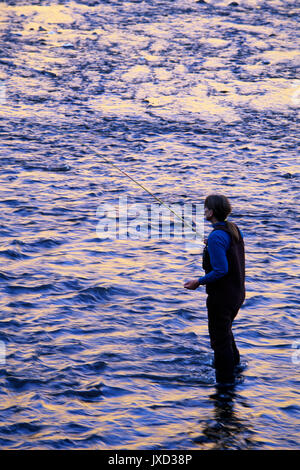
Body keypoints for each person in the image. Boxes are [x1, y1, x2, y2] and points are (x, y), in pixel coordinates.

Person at [184, 194, 245, 387]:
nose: (204, 211)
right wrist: (210, 246)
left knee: (219, 341)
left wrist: (198, 281)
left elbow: (221, 270)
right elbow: (224, 251)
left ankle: (225, 385)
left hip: (222, 297)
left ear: (211, 212)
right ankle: (236, 371)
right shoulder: (232, 228)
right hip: (237, 294)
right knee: (226, 334)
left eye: (205, 208)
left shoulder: (217, 236)